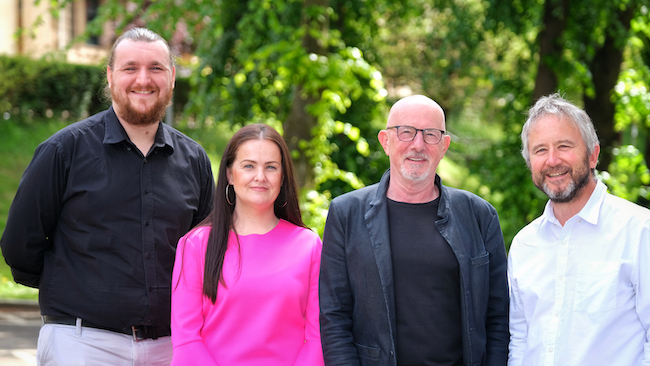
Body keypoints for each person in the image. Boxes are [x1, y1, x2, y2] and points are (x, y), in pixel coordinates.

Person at [0, 28, 215, 365]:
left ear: (172, 77)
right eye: (130, 68)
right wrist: (70, 284)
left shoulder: (195, 160)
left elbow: (204, 254)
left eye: (156, 68)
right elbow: (19, 243)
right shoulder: (63, 151)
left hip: (171, 347)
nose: (143, 79)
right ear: (111, 76)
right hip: (82, 343)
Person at [319, 94, 509, 366]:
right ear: (386, 141)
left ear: (444, 146)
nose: (418, 145)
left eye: (430, 135)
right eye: (406, 132)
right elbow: (334, 316)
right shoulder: (346, 214)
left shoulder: (479, 216)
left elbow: (497, 317)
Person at [508, 94, 650, 365]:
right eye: (540, 150)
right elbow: (521, 339)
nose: (552, 160)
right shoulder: (524, 244)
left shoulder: (640, 231)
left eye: (564, 146)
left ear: (593, 155)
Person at [170, 123, 324, 366]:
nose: (260, 177)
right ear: (230, 174)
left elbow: (317, 338)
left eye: (271, 167)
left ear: (283, 177)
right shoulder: (196, 245)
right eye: (249, 166)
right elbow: (186, 340)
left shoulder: (309, 246)